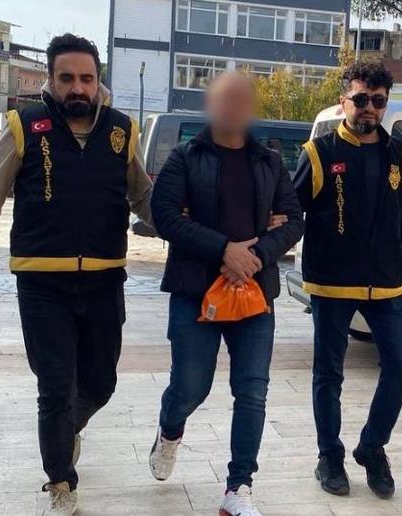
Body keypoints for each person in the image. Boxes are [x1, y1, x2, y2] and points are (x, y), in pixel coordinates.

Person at [0, 34, 153, 515]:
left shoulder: (123, 131)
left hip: (104, 279)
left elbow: (143, 196)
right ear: (51, 80)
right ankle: (61, 482)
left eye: (87, 78)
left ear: (99, 82)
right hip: (42, 283)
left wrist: (192, 229)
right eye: (67, 78)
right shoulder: (23, 127)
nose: (77, 87)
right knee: (55, 387)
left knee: (100, 384)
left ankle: (64, 430)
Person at [147, 71, 303, 516]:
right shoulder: (185, 157)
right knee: (190, 386)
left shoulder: (269, 161)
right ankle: (170, 430)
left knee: (252, 391)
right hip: (196, 292)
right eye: (225, 99)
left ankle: (239, 488)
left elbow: (294, 219)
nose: (234, 108)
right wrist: (224, 250)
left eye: (242, 100)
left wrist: (255, 256)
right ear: (210, 105)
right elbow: (164, 215)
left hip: (254, 293)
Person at [293, 61, 402, 500]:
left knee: (400, 365)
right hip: (332, 282)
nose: (369, 108)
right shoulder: (318, 153)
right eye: (361, 99)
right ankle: (329, 456)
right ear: (344, 101)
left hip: (387, 283)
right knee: (329, 373)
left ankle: (372, 447)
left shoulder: (400, 153)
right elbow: (289, 211)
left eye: (378, 101)